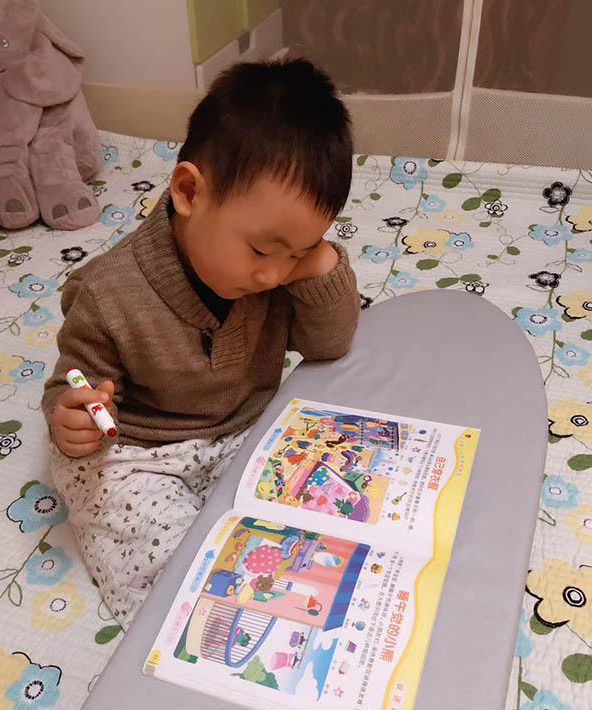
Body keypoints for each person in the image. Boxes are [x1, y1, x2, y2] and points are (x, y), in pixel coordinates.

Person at [41, 58, 360, 624]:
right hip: (141, 451)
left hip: (244, 428)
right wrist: (72, 419)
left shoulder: (279, 273)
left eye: (297, 251)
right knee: (172, 570)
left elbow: (329, 345)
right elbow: (77, 384)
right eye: (261, 250)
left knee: (321, 509)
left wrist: (320, 266)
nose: (272, 274)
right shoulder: (108, 293)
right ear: (189, 191)